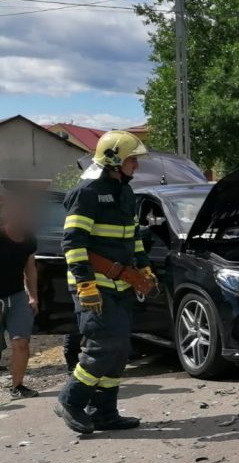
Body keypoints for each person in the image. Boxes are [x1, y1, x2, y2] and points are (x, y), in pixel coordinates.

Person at [55, 131, 157, 434]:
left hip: (121, 285)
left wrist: (144, 268)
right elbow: (73, 242)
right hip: (94, 286)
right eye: (132, 160)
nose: (136, 165)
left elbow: (134, 238)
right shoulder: (86, 192)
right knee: (103, 346)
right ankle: (70, 400)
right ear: (114, 160)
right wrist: (85, 284)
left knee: (120, 349)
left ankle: (104, 412)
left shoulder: (125, 193)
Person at [0, 193, 40, 399]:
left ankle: (17, 386)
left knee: (21, 343)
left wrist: (33, 296)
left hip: (17, 297)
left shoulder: (29, 239)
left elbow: (30, 268)